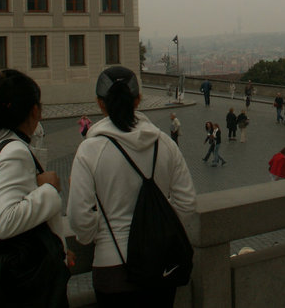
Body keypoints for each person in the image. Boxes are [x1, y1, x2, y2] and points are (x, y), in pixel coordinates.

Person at [68, 66, 196, 307]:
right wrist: (156, 232)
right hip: (161, 268)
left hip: (113, 268)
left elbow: (80, 220)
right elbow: (187, 204)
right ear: (138, 99)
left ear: (100, 103)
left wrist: (98, 232)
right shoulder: (165, 143)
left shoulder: (89, 150)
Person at [0, 69, 69, 300]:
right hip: (19, 284)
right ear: (34, 110)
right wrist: (49, 190)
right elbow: (4, 222)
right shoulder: (14, 151)